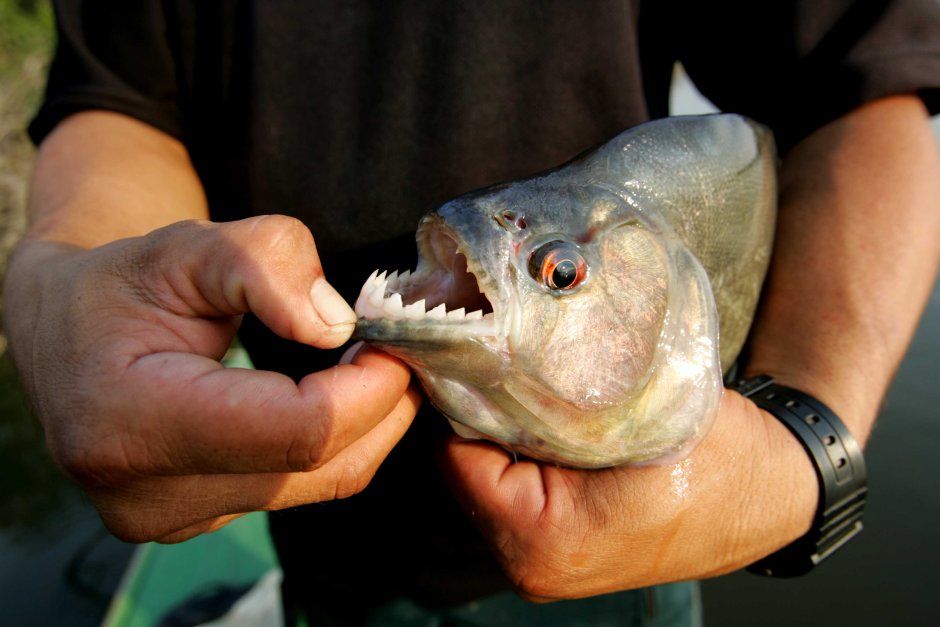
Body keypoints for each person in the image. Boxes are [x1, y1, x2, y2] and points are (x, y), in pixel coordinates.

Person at [3, 1, 939, 625]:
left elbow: (859, 74)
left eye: (559, 272)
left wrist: (808, 451)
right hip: (324, 558)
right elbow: (117, 96)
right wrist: (71, 272)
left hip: (629, 573)